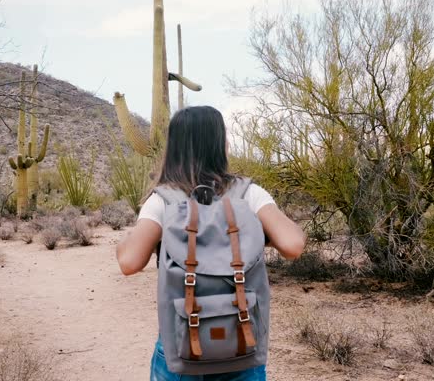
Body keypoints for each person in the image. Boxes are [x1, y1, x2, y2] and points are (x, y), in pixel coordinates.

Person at [116, 106, 305, 380]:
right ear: (221, 144)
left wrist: (123, 242)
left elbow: (129, 262)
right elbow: (293, 244)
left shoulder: (163, 200)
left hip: (182, 351)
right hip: (242, 346)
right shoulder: (248, 193)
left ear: (174, 147)